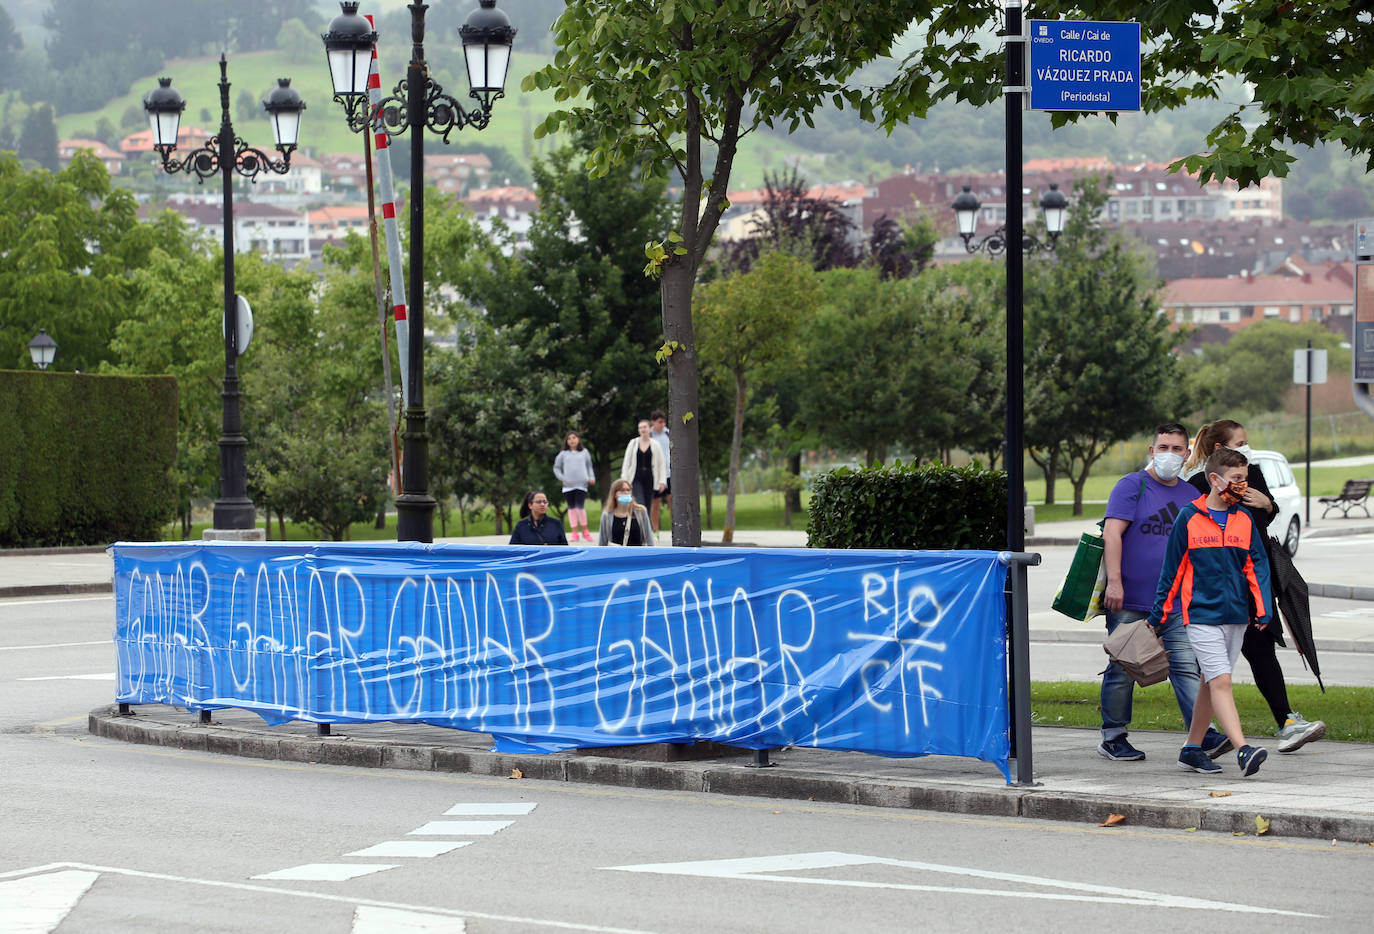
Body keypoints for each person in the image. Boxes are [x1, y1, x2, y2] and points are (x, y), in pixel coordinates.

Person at [1185, 419, 1327, 753]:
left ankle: (1284, 722)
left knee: (1259, 652)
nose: (1246, 450)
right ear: (1220, 449)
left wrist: (1267, 504)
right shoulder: (1196, 486)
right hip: (1215, 589)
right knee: (1212, 668)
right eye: (1240, 443)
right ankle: (1206, 737)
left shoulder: (1253, 473)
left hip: (1252, 583)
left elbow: (1262, 520)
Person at [1098, 422, 1229, 762]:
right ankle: (1113, 736)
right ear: (1151, 451)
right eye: (1163, 447)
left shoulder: (1190, 496)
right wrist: (1115, 581)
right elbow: (1112, 535)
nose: (1169, 454)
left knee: (1186, 667)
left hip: (1174, 601)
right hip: (1129, 599)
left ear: (1187, 455)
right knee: (1122, 668)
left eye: (1176, 449)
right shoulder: (1132, 485)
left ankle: (1201, 736)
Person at [1153, 447, 1272, 776]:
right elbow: (1172, 570)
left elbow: (1255, 566)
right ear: (1215, 479)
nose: (1242, 486)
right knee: (1221, 681)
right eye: (1236, 480)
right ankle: (1243, 750)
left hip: (1236, 616)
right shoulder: (1189, 517)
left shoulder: (1244, 519)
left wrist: (1263, 609)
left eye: (1245, 479)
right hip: (1201, 616)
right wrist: (1158, 616)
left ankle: (1192, 749)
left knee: (1209, 683)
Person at [553, 430, 596, 542]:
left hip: (582, 484)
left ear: (578, 439)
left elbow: (589, 466)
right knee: (571, 508)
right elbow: (556, 467)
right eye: (569, 438)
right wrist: (562, 478)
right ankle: (574, 533)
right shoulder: (563, 454)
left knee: (580, 507)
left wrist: (591, 477)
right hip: (568, 486)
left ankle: (585, 531)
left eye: (574, 438)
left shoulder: (585, 452)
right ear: (567, 441)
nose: (572, 440)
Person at [620, 419, 665, 509]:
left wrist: (662, 482)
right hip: (636, 479)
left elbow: (661, 464)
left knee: (648, 505)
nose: (642, 429)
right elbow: (626, 463)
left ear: (649, 429)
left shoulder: (655, 445)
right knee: (640, 503)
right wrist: (624, 479)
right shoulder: (633, 443)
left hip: (650, 479)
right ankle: (640, 522)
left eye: (644, 427)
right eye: (640, 428)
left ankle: (645, 523)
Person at [598, 478, 656, 546]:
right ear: (614, 494)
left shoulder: (641, 511)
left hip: (638, 554)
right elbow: (602, 542)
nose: (626, 493)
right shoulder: (607, 515)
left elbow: (649, 537)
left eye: (628, 490)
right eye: (622, 490)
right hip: (617, 554)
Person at [649, 410, 672, 530]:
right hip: (656, 476)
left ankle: (677, 529)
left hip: (670, 473)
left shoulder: (668, 433)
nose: (662, 424)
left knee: (672, 502)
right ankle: (655, 531)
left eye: (664, 422)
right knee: (655, 504)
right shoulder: (649, 435)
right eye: (660, 422)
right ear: (653, 422)